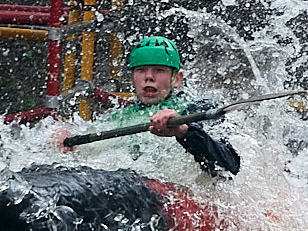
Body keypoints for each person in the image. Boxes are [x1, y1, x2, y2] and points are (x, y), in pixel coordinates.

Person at [91, 36, 241, 177]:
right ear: (132, 78)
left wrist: (185, 132)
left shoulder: (197, 109)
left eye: (159, 70)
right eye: (141, 70)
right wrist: (69, 140)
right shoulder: (119, 115)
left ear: (177, 79)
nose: (148, 77)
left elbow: (231, 165)